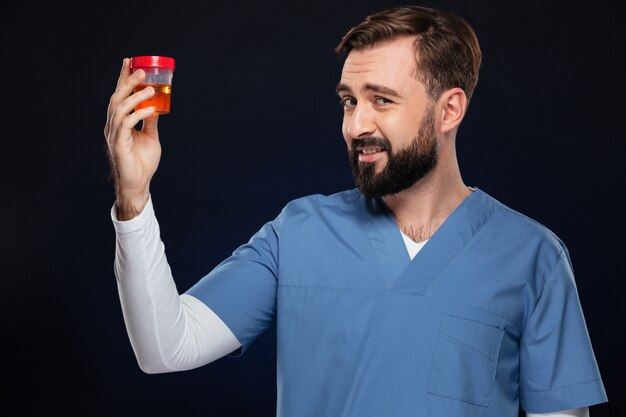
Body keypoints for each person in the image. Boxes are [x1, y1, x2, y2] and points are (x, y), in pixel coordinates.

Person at [104, 5, 607, 417]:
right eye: (349, 101)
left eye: (382, 100)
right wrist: (134, 196)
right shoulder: (297, 233)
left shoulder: (532, 257)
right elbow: (164, 348)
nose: (355, 125)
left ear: (449, 110)